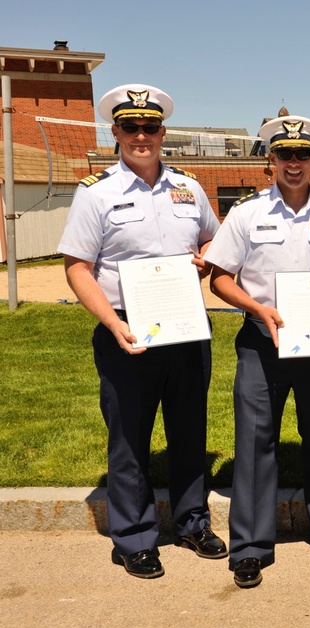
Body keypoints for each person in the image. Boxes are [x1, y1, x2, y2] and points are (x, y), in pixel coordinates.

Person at [57, 84, 225, 579]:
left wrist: (204, 258)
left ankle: (192, 522)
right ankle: (134, 537)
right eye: (130, 127)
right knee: (130, 438)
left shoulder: (188, 187)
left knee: (189, 431)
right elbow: (77, 267)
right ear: (115, 132)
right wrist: (113, 324)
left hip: (186, 331)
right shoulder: (95, 192)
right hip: (125, 333)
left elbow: (213, 238)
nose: (141, 135)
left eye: (150, 127)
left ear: (163, 132)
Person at [205, 115, 310, 589]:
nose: (294, 163)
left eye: (302, 155)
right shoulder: (246, 213)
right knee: (255, 444)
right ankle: (250, 546)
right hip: (260, 342)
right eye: (284, 154)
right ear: (270, 159)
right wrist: (258, 308)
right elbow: (219, 277)